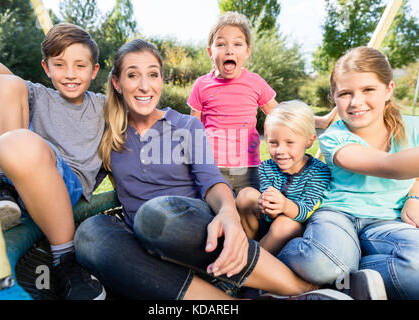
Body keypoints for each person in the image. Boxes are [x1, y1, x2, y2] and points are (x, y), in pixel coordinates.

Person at [74, 39, 359, 300]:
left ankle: (304, 290)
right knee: (89, 236)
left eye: (153, 74)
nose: (145, 85)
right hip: (142, 243)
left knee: (155, 216)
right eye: (133, 75)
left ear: (161, 80)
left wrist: (228, 214)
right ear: (117, 82)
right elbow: (79, 180)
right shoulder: (108, 135)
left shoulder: (186, 126)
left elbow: (211, 180)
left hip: (188, 229)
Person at [0, 24, 106, 300]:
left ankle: (66, 259)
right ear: (46, 67)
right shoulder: (36, 95)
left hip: (64, 183)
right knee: (1, 82)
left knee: (18, 143)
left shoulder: (104, 105)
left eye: (80, 66)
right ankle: (0, 193)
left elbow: (142, 112)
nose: (69, 74)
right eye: (60, 64)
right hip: (21, 180)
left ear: (94, 70)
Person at [276, 46, 419, 300]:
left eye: (368, 90)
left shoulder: (413, 127)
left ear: (389, 90)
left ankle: (349, 280)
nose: (356, 102)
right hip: (339, 215)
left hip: (388, 222)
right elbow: (389, 165)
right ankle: (284, 266)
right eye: (345, 93)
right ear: (334, 96)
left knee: (415, 263)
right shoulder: (335, 137)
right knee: (322, 262)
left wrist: (415, 197)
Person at [188, 12, 335, 195]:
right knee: (217, 211)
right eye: (221, 44)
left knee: (250, 210)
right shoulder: (202, 85)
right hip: (213, 167)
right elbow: (194, 127)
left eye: (237, 44)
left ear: (247, 51)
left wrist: (319, 122)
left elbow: (281, 114)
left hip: (248, 167)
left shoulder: (254, 82)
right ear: (210, 52)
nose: (229, 50)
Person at [237, 100, 331, 256]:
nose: (280, 150)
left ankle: (251, 262)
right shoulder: (267, 167)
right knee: (245, 195)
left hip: (294, 229)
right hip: (268, 223)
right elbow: (269, 212)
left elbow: (307, 211)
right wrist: (267, 205)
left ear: (309, 141)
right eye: (274, 143)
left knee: (284, 224)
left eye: (289, 143)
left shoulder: (318, 171)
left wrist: (285, 206)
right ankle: (248, 244)